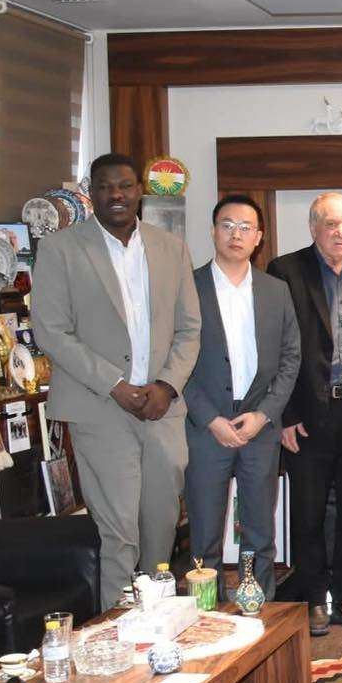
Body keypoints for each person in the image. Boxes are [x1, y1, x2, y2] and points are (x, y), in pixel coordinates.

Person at [31, 152, 201, 608]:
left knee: (161, 533)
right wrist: (115, 384)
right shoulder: (61, 249)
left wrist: (166, 386)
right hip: (100, 408)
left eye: (125, 185)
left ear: (139, 191)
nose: (116, 195)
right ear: (92, 193)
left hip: (162, 410)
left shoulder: (171, 248)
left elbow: (189, 329)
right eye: (105, 187)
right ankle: (117, 634)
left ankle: (157, 626)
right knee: (119, 534)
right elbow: (51, 331)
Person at [267, 192, 342, 636]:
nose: (340, 232)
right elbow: (275, 346)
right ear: (314, 227)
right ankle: (314, 598)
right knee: (308, 512)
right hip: (307, 412)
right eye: (331, 224)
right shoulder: (285, 271)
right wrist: (284, 413)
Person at [183, 194, 301, 601]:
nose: (236, 234)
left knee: (260, 533)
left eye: (245, 227)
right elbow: (174, 361)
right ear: (213, 231)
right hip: (205, 428)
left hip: (259, 428)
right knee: (204, 536)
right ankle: (207, 616)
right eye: (227, 225)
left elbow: (291, 358)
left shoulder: (276, 291)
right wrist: (209, 419)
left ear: (258, 237)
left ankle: (260, 611)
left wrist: (265, 415)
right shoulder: (187, 287)